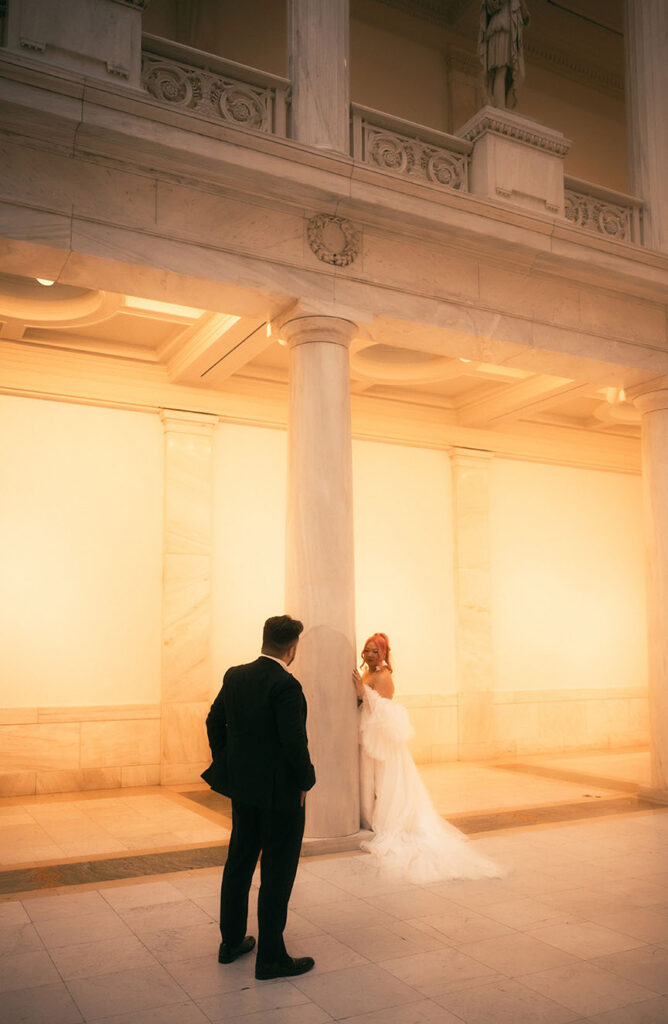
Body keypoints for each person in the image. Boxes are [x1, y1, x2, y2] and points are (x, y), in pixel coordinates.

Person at [202, 615, 316, 980]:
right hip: (281, 794)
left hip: (244, 790)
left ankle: (231, 942)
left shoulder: (235, 675)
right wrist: (306, 780)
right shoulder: (286, 685)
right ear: (292, 648)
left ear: (265, 640)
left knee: (239, 862)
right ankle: (270, 957)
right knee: (277, 872)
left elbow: (212, 721)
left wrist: (227, 762)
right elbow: (293, 740)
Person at [353, 632, 503, 884]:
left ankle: (387, 820)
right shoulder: (367, 673)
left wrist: (363, 693)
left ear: (384, 654)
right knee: (372, 781)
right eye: (366, 650)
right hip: (368, 737)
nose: (369, 655)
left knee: (386, 782)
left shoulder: (384, 676)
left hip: (382, 741)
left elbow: (385, 712)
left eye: (374, 651)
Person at [478, 0, 530, 110]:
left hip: (513, 34)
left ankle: (506, 109)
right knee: (501, 70)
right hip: (500, 29)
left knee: (517, 76)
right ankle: (500, 107)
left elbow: (526, 18)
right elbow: (491, 6)